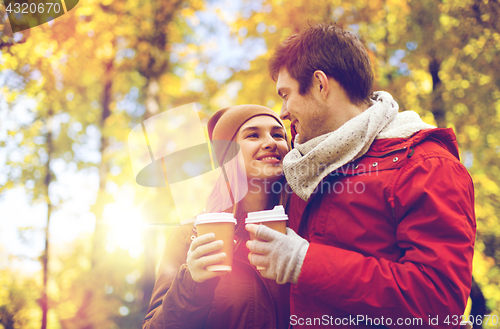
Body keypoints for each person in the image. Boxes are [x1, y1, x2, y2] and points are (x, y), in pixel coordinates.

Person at [246, 22, 476, 328]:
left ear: (320, 85)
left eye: (286, 95)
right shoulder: (304, 168)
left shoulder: (425, 165)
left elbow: (438, 301)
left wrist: (305, 262)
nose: (284, 111)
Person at [143, 104, 291, 329]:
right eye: (253, 135)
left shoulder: (304, 225)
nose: (271, 142)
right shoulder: (189, 235)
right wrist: (192, 282)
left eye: (278, 134)